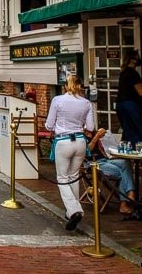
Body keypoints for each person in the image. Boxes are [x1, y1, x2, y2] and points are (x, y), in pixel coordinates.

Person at [45, 75, 95, 230]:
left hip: (63, 141)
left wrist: (55, 126)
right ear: (80, 86)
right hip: (80, 141)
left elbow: (49, 125)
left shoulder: (58, 100)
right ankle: (71, 210)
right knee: (73, 175)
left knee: (62, 177)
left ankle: (74, 209)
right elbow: (91, 128)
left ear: (66, 86)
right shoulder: (86, 103)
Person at [87, 128, 137, 214]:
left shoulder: (92, 131)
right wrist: (97, 136)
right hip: (92, 163)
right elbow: (86, 151)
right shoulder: (79, 135)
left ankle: (131, 192)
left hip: (104, 159)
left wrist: (110, 156)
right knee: (119, 171)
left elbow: (101, 149)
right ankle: (123, 205)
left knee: (125, 162)